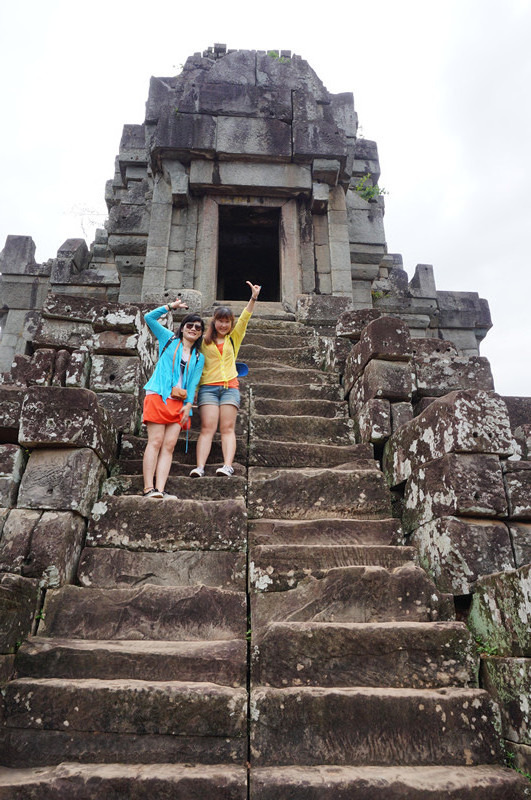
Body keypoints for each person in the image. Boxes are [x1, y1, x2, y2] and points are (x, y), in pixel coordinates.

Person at [190, 281, 261, 478]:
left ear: (231, 323)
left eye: (227, 321)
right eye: (220, 321)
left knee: (227, 428)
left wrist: (253, 298)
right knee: (207, 428)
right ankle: (200, 467)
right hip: (208, 388)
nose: (223, 325)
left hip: (230, 387)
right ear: (214, 322)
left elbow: (245, 318)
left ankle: (227, 466)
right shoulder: (203, 341)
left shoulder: (233, 338)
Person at [142, 299, 205, 497]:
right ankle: (148, 488)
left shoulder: (198, 357)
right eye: (190, 325)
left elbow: (193, 383)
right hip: (158, 395)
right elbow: (148, 318)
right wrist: (170, 307)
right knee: (155, 441)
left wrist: (189, 405)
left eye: (198, 328)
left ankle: (160, 489)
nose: (193, 329)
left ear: (201, 333)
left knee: (169, 446)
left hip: (179, 402)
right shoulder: (169, 339)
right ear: (182, 327)